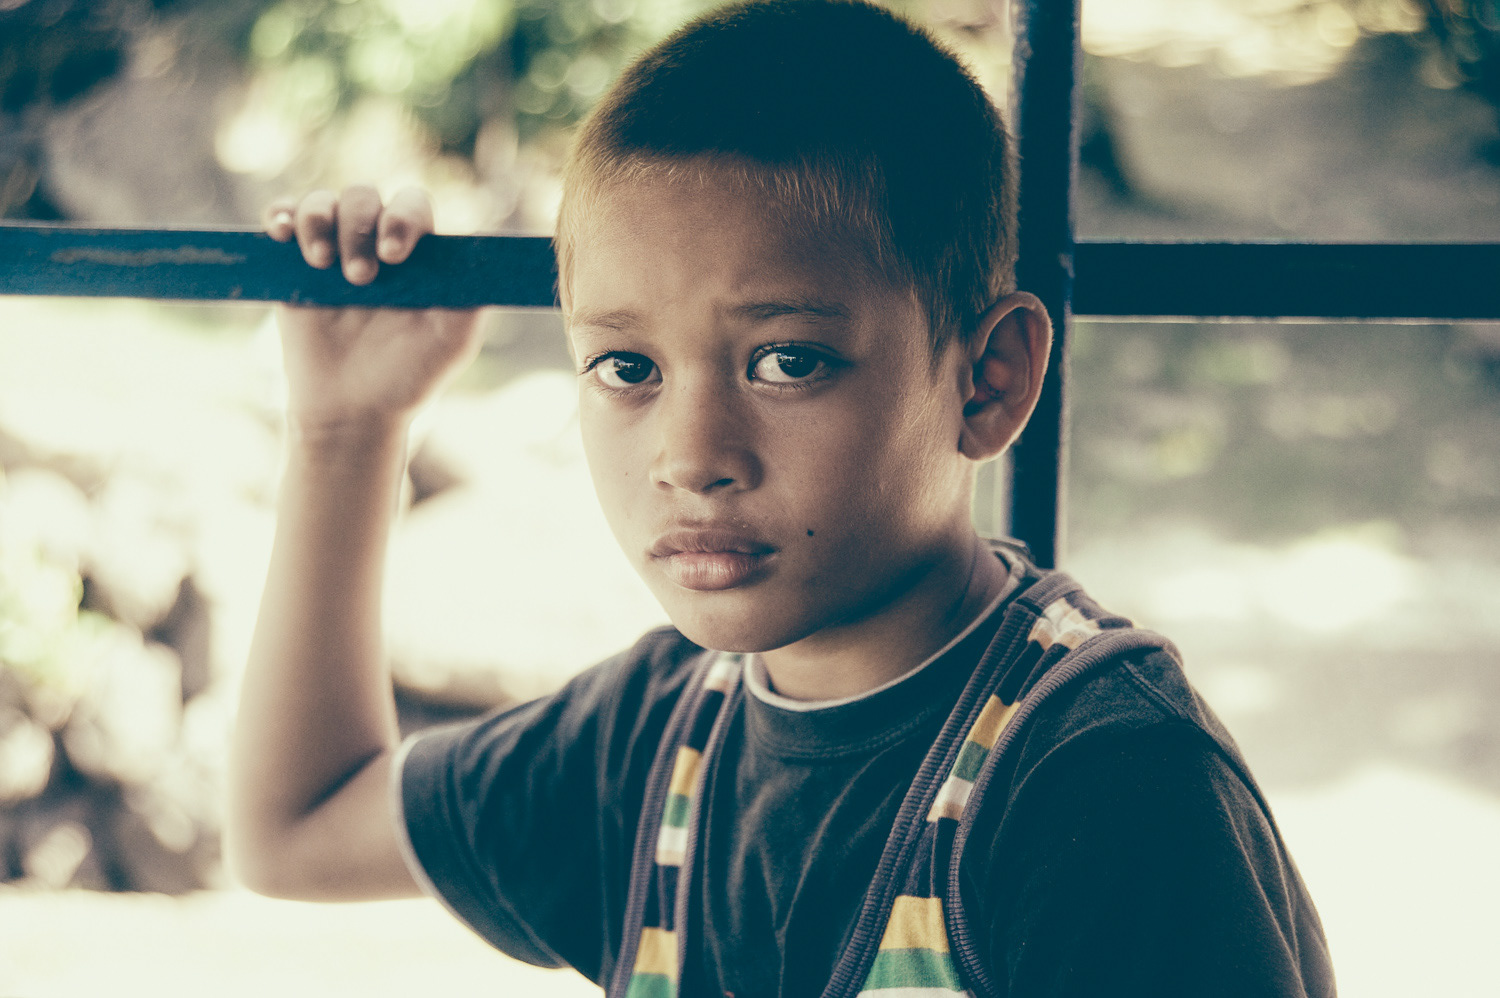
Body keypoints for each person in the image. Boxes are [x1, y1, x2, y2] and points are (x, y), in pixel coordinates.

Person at [226, 1, 1337, 995]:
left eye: (788, 362)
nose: (691, 456)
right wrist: (344, 432)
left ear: (987, 380)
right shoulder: (656, 735)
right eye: (626, 367)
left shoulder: (1099, 786)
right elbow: (295, 827)